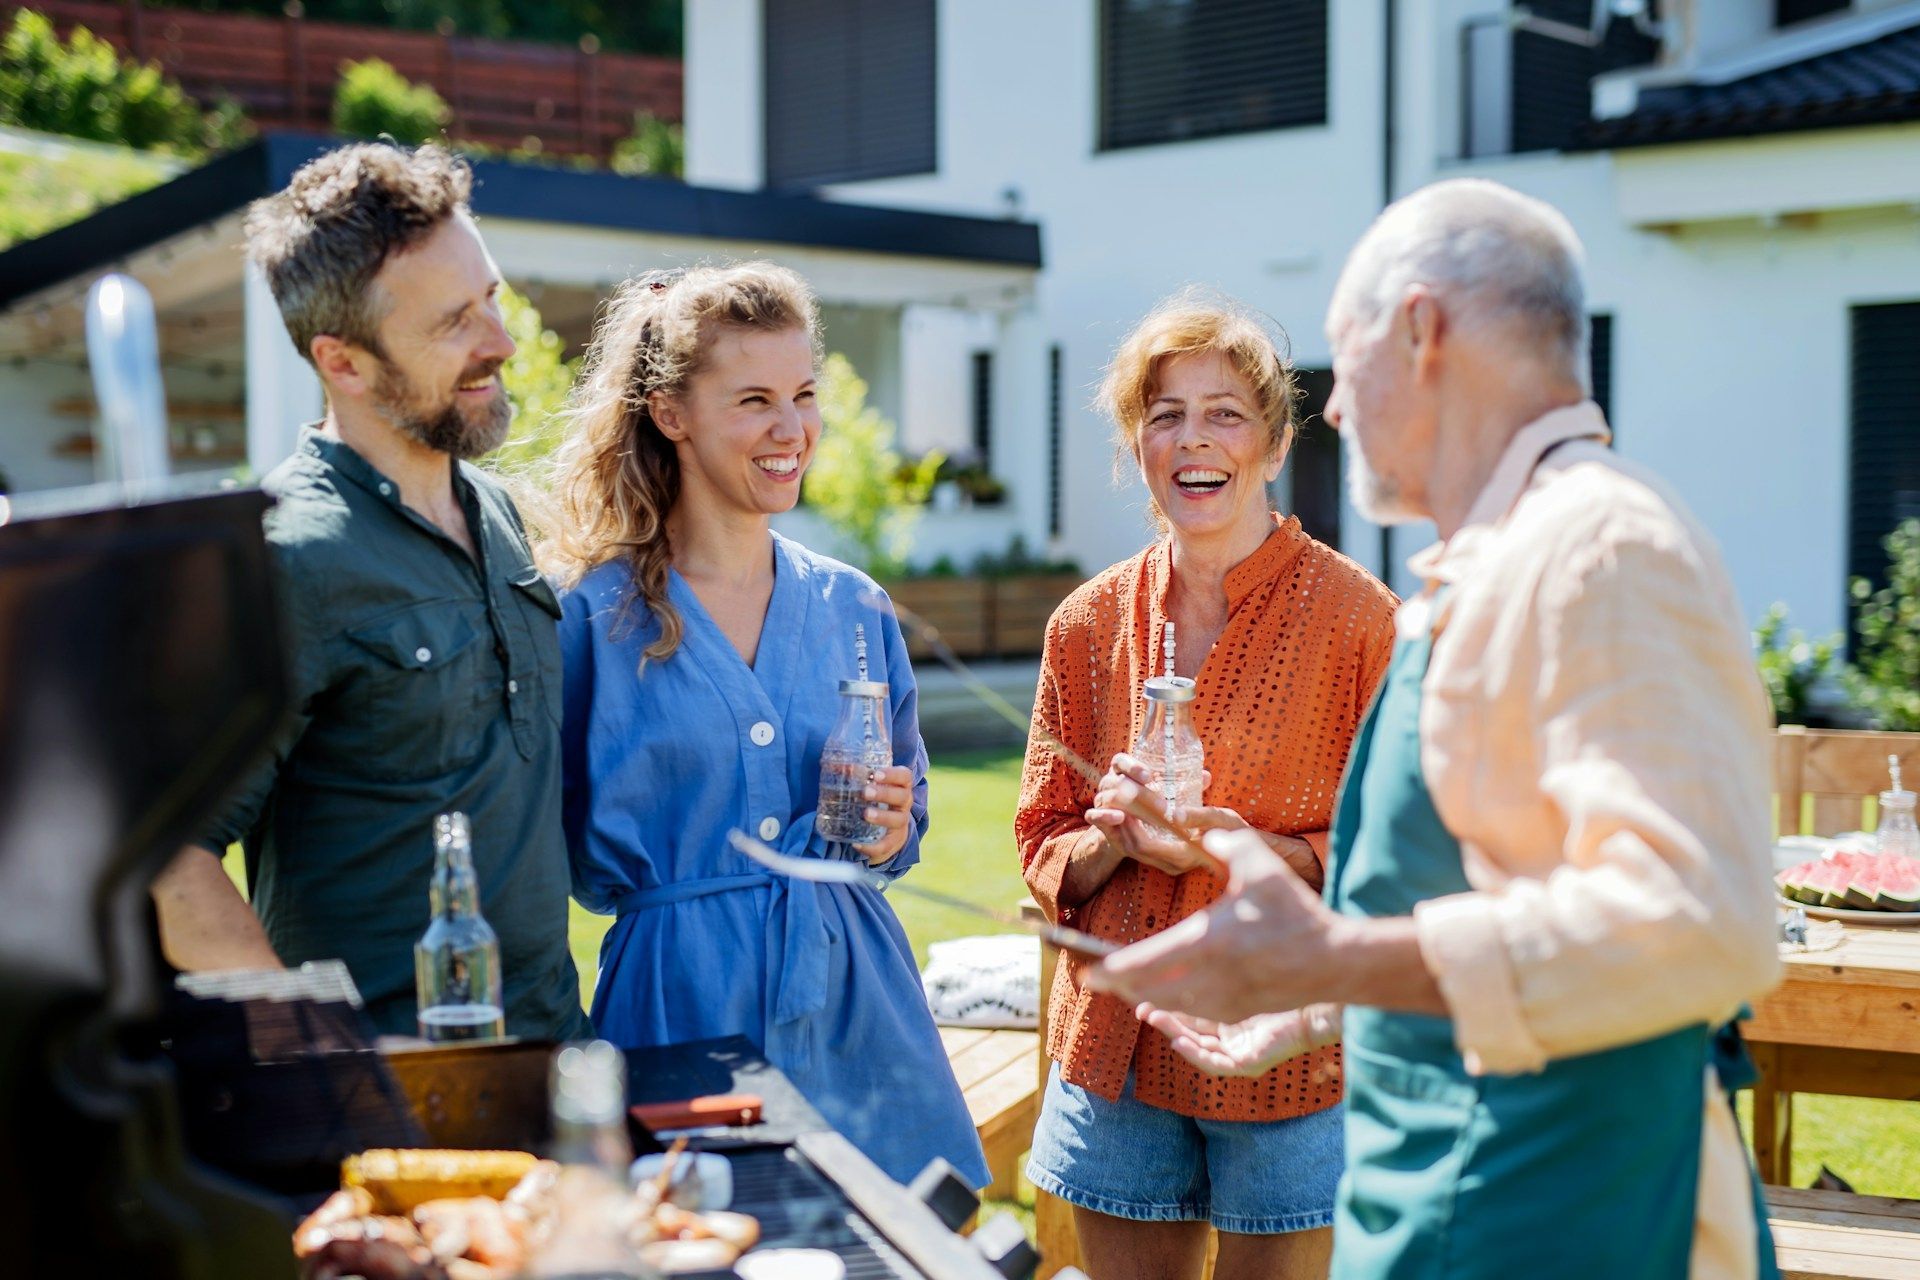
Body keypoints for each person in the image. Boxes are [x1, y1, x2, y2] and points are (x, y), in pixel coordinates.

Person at [1093, 179, 1783, 1279]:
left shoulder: (1604, 547)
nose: (1328, 406)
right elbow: (1493, 888)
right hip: (1452, 1212)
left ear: (1419, 330)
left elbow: (1704, 919)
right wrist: (1317, 997)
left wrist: (1334, 950)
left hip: (1558, 1220)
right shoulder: (1489, 563)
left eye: (1343, 352)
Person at [542, 262, 989, 1189]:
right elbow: (551, 853)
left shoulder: (854, 608)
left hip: (856, 1004)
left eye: (804, 395)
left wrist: (895, 826)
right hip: (680, 1005)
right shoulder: (594, 620)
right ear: (672, 413)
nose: (793, 431)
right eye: (754, 400)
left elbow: (898, 841)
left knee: (898, 1247)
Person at [150, 141, 589, 1041]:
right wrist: (316, 1058)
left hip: (554, 1055)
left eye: (492, 299)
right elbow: (167, 858)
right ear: (342, 362)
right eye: (452, 323)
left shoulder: (499, 512)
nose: (500, 343)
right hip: (392, 1092)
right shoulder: (281, 557)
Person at [1017, 292, 1397, 1279]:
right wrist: (1108, 837)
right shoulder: (1086, 624)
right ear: (1138, 445)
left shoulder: (1365, 622)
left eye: (1225, 411)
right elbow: (1040, 838)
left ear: (1274, 445)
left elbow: (1391, 860)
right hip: (1118, 1050)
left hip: (1290, 1058)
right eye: (1166, 413)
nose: (1195, 438)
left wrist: (1243, 849)